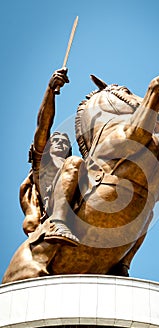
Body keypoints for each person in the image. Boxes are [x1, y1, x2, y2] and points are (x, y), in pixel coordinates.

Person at [20, 68, 86, 244]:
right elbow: (43, 125)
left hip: (81, 201)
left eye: (65, 142)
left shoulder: (75, 167)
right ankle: (58, 222)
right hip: (53, 205)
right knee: (74, 162)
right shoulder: (43, 162)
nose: (61, 142)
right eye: (56, 139)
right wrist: (50, 91)